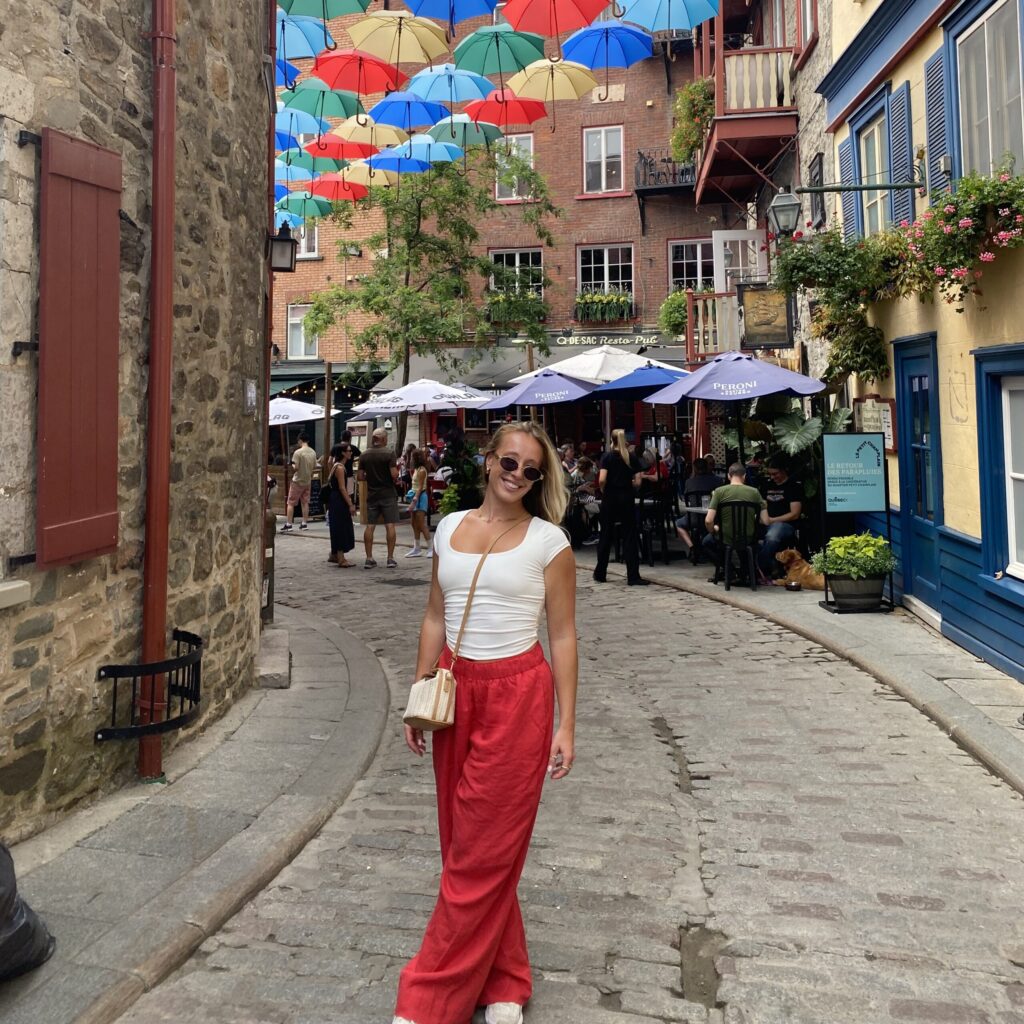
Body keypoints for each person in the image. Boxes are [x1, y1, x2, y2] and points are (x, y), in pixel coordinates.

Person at [394, 422, 577, 1024]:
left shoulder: (548, 543)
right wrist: (420, 689)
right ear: (489, 459)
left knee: (483, 850)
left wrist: (566, 725)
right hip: (454, 689)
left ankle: (429, 997)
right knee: (464, 845)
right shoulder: (448, 528)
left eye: (531, 469)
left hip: (518, 696)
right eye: (510, 460)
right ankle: (505, 977)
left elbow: (563, 637)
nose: (517, 474)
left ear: (539, 479)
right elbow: (432, 616)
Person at [593, 428, 647, 586]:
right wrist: (627, 484)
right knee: (629, 535)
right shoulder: (631, 457)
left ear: (612, 440)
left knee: (606, 535)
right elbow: (638, 481)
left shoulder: (607, 457)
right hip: (626, 498)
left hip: (610, 498)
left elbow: (602, 479)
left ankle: (600, 573)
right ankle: (633, 576)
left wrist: (604, 490)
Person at [701, 462, 768, 569]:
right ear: (745, 476)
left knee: (706, 542)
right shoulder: (754, 492)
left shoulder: (719, 492)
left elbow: (708, 520)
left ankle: (729, 570)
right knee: (751, 545)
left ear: (728, 476)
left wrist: (713, 530)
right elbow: (765, 521)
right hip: (748, 537)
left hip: (726, 537)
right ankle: (745, 571)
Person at [358, 428, 400, 568]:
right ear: (382, 439)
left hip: (372, 494)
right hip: (388, 493)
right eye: (386, 438)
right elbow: (394, 474)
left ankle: (369, 558)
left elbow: (360, 476)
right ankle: (390, 558)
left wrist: (371, 477)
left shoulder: (364, 455)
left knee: (370, 526)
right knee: (390, 525)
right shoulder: (389, 453)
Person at [759, 458, 803, 577]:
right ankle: (768, 565)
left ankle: (760, 567)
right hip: (766, 522)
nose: (772, 477)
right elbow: (762, 505)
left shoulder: (794, 486)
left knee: (772, 536)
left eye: (775, 474)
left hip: (785, 524)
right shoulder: (766, 486)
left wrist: (772, 520)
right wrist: (763, 518)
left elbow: (795, 514)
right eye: (770, 474)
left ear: (784, 471)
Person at [675, 457, 726, 554]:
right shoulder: (717, 481)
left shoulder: (689, 482)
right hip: (713, 518)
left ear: (694, 468)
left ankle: (692, 547)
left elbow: (685, 498)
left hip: (693, 518)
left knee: (678, 524)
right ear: (707, 467)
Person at [325, 444, 357, 567]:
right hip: (339, 500)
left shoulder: (335, 466)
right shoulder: (339, 468)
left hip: (335, 499)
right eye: (349, 451)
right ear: (343, 453)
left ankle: (334, 554)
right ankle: (341, 558)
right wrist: (350, 504)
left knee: (338, 526)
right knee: (341, 527)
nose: (351, 453)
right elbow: (342, 488)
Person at [282, 432, 317, 532]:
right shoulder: (313, 452)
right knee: (305, 502)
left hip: (297, 481)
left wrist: (291, 465)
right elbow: (314, 466)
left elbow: (296, 467)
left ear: (300, 440)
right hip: (307, 480)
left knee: (291, 502)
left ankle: (289, 524)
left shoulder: (298, 453)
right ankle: (304, 523)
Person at [406, 448, 432, 558]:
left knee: (421, 523)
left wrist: (414, 501)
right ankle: (416, 547)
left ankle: (431, 548)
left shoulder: (421, 471)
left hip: (420, 497)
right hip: (415, 495)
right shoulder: (417, 469)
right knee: (413, 523)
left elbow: (421, 487)